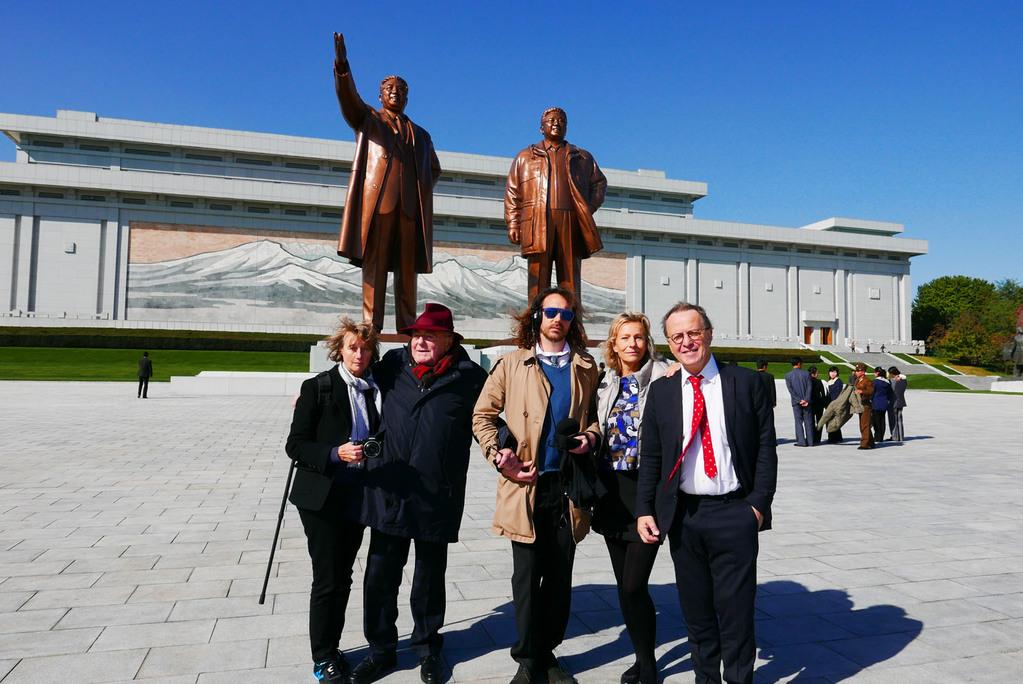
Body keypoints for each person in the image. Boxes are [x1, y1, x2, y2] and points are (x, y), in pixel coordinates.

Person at [635, 302, 777, 684]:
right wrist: (645, 509)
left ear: (709, 334)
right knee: (696, 612)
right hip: (684, 516)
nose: (687, 342)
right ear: (668, 342)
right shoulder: (662, 391)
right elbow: (651, 455)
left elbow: (766, 448)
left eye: (693, 332)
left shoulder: (746, 383)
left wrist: (757, 506)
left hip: (735, 511)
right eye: (677, 336)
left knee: (736, 612)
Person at [352, 304, 487, 684]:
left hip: (436, 493)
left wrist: (507, 449)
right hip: (390, 487)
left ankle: (427, 649)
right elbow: (350, 379)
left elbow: (490, 418)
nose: (421, 341)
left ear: (449, 340)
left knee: (429, 579)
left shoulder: (471, 377)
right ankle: (380, 650)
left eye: (430, 335)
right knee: (380, 575)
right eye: (416, 335)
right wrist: (311, 397)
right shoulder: (392, 364)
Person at [472, 286, 601, 684]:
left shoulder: (585, 366)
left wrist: (589, 439)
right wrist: (499, 456)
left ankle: (547, 654)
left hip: (567, 488)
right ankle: (527, 659)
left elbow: (595, 420)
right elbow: (482, 416)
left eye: (566, 314)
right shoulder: (512, 364)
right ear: (536, 317)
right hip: (526, 485)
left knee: (560, 577)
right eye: (550, 312)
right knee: (526, 578)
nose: (558, 319)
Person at [286, 318, 380, 683]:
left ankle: (332, 646)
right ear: (340, 349)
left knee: (343, 576)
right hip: (322, 497)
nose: (360, 354)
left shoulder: (374, 389)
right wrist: (334, 453)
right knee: (327, 577)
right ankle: (323, 656)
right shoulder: (318, 387)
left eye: (366, 348)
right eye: (353, 347)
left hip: (357, 496)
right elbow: (295, 445)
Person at [333, 33, 442, 332]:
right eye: (389, 88)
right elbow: (348, 99)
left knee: (407, 272)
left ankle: (407, 327)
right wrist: (342, 66)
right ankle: (371, 326)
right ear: (380, 95)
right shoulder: (369, 120)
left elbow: (434, 168)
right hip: (378, 205)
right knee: (375, 268)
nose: (395, 92)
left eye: (401, 89)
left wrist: (418, 190)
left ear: (408, 96)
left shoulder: (421, 135)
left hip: (409, 211)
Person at [592, 313, 668, 684]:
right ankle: (641, 658)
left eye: (639, 337)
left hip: (646, 492)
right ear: (614, 343)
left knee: (636, 584)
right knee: (625, 586)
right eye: (625, 338)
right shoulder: (605, 382)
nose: (632, 344)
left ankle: (649, 667)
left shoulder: (664, 377)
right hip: (611, 493)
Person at [505, 108, 607, 303]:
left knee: (570, 279)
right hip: (536, 222)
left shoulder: (582, 157)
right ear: (541, 127)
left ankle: (572, 327)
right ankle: (533, 327)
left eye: (561, 120)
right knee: (537, 280)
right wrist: (513, 224)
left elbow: (600, 183)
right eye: (551, 120)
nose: (556, 123)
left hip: (570, 221)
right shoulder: (525, 157)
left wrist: (588, 208)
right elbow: (513, 192)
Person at [784, 357, 814, 446]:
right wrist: (806, 399)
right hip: (806, 402)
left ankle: (801, 441)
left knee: (798, 422)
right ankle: (810, 441)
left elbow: (791, 390)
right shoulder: (806, 374)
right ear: (799, 363)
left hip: (796, 402)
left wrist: (798, 400)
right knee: (808, 421)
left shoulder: (788, 375)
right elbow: (809, 388)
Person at [852, 363, 875, 450]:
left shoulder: (867, 380)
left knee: (864, 424)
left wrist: (862, 391)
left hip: (866, 405)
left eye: (858, 371)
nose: (856, 372)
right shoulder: (858, 380)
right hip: (860, 404)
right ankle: (871, 442)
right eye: (856, 370)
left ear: (863, 371)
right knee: (864, 424)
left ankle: (865, 444)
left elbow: (871, 391)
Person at [871, 367, 893, 445]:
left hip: (876, 403)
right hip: (884, 403)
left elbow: (872, 392)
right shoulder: (887, 382)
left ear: (877, 373)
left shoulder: (875, 382)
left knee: (876, 421)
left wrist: (870, 399)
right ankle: (881, 437)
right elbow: (890, 393)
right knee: (882, 420)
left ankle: (877, 437)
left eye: (875, 372)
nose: (874, 374)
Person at [823, 366, 845, 443]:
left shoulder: (838, 382)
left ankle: (834, 438)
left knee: (833, 421)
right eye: (831, 372)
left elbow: (836, 395)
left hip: (834, 404)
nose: (833, 374)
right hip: (828, 404)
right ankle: (834, 437)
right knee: (830, 420)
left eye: (834, 372)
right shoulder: (829, 381)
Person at [887, 366, 907, 442]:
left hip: (893, 402)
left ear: (892, 373)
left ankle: (895, 436)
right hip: (901, 402)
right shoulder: (903, 380)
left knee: (893, 420)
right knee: (900, 420)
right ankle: (901, 437)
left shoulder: (892, 381)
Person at [808, 366, 827, 444]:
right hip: (819, 404)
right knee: (819, 421)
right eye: (817, 373)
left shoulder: (807, 381)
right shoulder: (819, 382)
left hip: (811, 404)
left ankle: (811, 437)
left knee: (811, 421)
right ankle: (818, 438)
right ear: (814, 373)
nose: (818, 374)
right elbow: (823, 394)